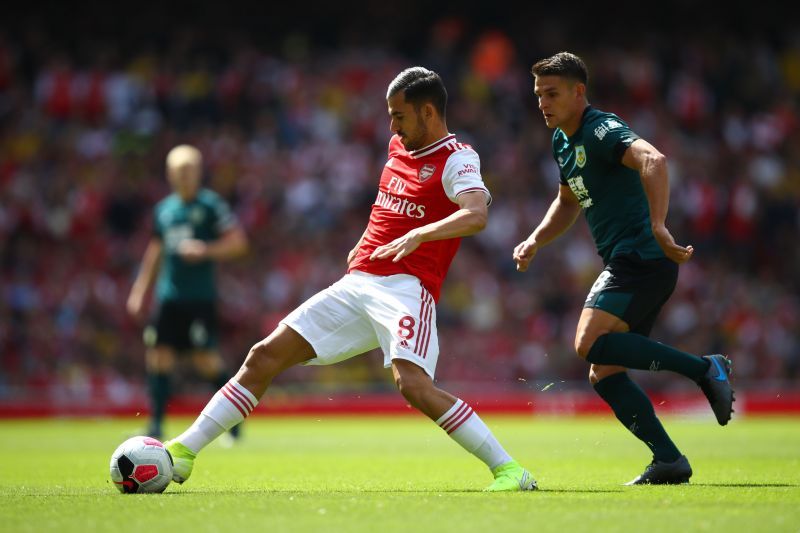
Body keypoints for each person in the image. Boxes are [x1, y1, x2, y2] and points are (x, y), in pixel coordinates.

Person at [164, 67, 537, 492]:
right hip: (359, 282)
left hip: (406, 288)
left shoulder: (457, 158)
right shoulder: (398, 145)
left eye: (400, 116)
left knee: (412, 385)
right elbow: (388, 206)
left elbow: (476, 215)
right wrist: (362, 240)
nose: (392, 126)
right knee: (263, 355)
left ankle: (510, 470)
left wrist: (420, 234)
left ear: (429, 112)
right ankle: (183, 451)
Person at [513, 52, 734, 485]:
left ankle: (706, 368)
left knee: (588, 343)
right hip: (627, 260)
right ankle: (669, 460)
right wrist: (536, 238)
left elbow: (654, 160)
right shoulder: (561, 139)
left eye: (552, 93)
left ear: (580, 92)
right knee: (604, 372)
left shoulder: (599, 128)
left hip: (642, 257)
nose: (543, 102)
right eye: (539, 94)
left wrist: (658, 225)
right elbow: (568, 200)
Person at [127, 144, 249, 440]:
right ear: (170, 174)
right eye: (180, 170)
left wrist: (205, 250)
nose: (186, 176)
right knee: (158, 356)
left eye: (191, 169)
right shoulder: (164, 210)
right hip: (168, 298)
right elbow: (155, 250)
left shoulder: (210, 206)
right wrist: (140, 290)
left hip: (199, 299)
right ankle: (155, 424)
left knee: (205, 360)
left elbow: (238, 243)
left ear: (199, 172)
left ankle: (233, 420)